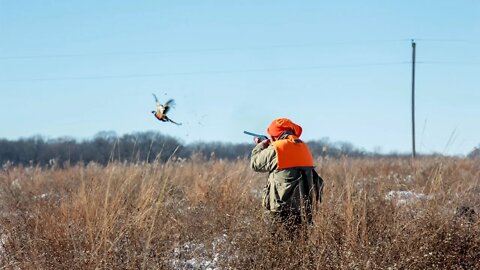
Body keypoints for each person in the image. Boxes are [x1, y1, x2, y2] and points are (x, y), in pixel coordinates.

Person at [250, 118, 324, 236]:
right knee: (300, 242)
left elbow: (255, 164)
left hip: (281, 208)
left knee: (276, 243)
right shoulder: (303, 146)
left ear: (275, 135)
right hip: (304, 208)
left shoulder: (277, 148)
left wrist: (261, 145)